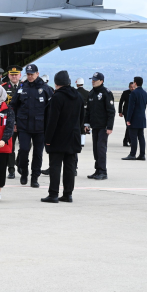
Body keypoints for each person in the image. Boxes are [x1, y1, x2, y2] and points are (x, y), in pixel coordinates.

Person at [42, 71, 84, 203]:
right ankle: (68, 194)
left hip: (58, 137)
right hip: (73, 137)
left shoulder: (57, 97)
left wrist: (48, 139)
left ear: (56, 83)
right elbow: (82, 117)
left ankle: (53, 194)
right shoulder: (78, 96)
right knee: (70, 167)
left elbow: (52, 120)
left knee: (55, 166)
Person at [10, 64, 52, 188]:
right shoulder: (22, 88)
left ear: (37, 74)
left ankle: (35, 177)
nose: (29, 76)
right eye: (28, 74)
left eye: (32, 74)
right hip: (24, 126)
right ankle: (24, 171)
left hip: (40, 127)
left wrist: (49, 126)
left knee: (38, 154)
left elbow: (51, 109)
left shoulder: (45, 89)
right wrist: (14, 122)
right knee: (23, 150)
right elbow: (13, 106)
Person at [84, 72, 115, 179]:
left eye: (95, 80)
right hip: (95, 126)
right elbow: (88, 111)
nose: (93, 81)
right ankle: (97, 170)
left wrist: (109, 127)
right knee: (95, 149)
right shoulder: (91, 93)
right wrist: (86, 124)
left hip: (103, 126)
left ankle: (103, 171)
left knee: (101, 149)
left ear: (101, 81)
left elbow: (111, 111)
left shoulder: (106, 93)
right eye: (92, 79)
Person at [1, 65, 23, 179]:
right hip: (9, 121)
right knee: (10, 146)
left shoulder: (25, 86)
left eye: (16, 74)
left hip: (23, 122)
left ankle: (19, 162)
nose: (14, 76)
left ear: (20, 75)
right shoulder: (3, 88)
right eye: (12, 74)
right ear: (9, 75)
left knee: (25, 146)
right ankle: (11, 169)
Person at [123, 76, 147, 161]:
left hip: (134, 118)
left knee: (133, 137)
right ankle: (142, 154)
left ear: (135, 83)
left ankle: (132, 154)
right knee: (141, 137)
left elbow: (131, 108)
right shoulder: (145, 93)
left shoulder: (134, 93)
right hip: (142, 117)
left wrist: (128, 119)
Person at [118, 82, 135, 147]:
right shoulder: (125, 93)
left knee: (130, 126)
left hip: (133, 112)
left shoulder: (136, 93)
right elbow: (121, 102)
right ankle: (128, 141)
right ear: (129, 87)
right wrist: (120, 111)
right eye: (131, 87)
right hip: (126, 112)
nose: (132, 88)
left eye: (133, 87)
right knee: (129, 126)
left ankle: (127, 140)